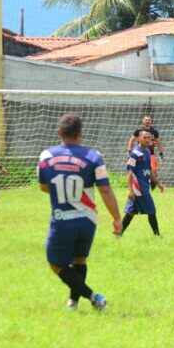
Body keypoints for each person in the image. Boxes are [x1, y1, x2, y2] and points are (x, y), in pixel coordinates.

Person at [38, 113, 122, 311]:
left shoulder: (46, 156)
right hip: (88, 220)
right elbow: (105, 189)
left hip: (62, 219)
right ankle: (73, 302)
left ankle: (94, 297)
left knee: (55, 264)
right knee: (79, 259)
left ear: (59, 132)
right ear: (80, 133)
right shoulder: (94, 156)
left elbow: (43, 186)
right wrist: (117, 218)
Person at [121, 130, 165, 236]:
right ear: (139, 139)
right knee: (151, 211)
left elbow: (148, 171)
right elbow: (130, 172)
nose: (148, 139)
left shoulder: (147, 152)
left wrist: (158, 183)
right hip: (138, 188)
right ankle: (158, 236)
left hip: (144, 186)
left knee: (131, 213)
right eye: (145, 137)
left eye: (149, 137)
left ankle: (118, 234)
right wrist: (130, 190)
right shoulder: (134, 154)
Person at [127, 115, 164, 189]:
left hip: (151, 154)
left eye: (149, 120)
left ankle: (152, 184)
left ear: (151, 122)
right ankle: (137, 185)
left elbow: (158, 142)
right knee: (139, 170)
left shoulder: (154, 131)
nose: (147, 121)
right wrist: (129, 150)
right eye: (146, 120)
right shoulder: (138, 131)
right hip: (141, 155)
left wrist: (161, 152)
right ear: (143, 121)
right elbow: (131, 140)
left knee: (153, 171)